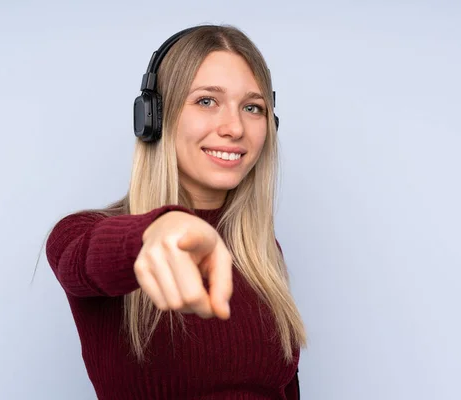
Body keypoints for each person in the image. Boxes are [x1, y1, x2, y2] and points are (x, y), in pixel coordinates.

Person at [45, 24, 307, 399]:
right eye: (206, 101)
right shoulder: (83, 233)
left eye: (252, 107)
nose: (234, 128)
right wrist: (155, 230)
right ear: (153, 117)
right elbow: (78, 259)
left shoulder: (261, 252)